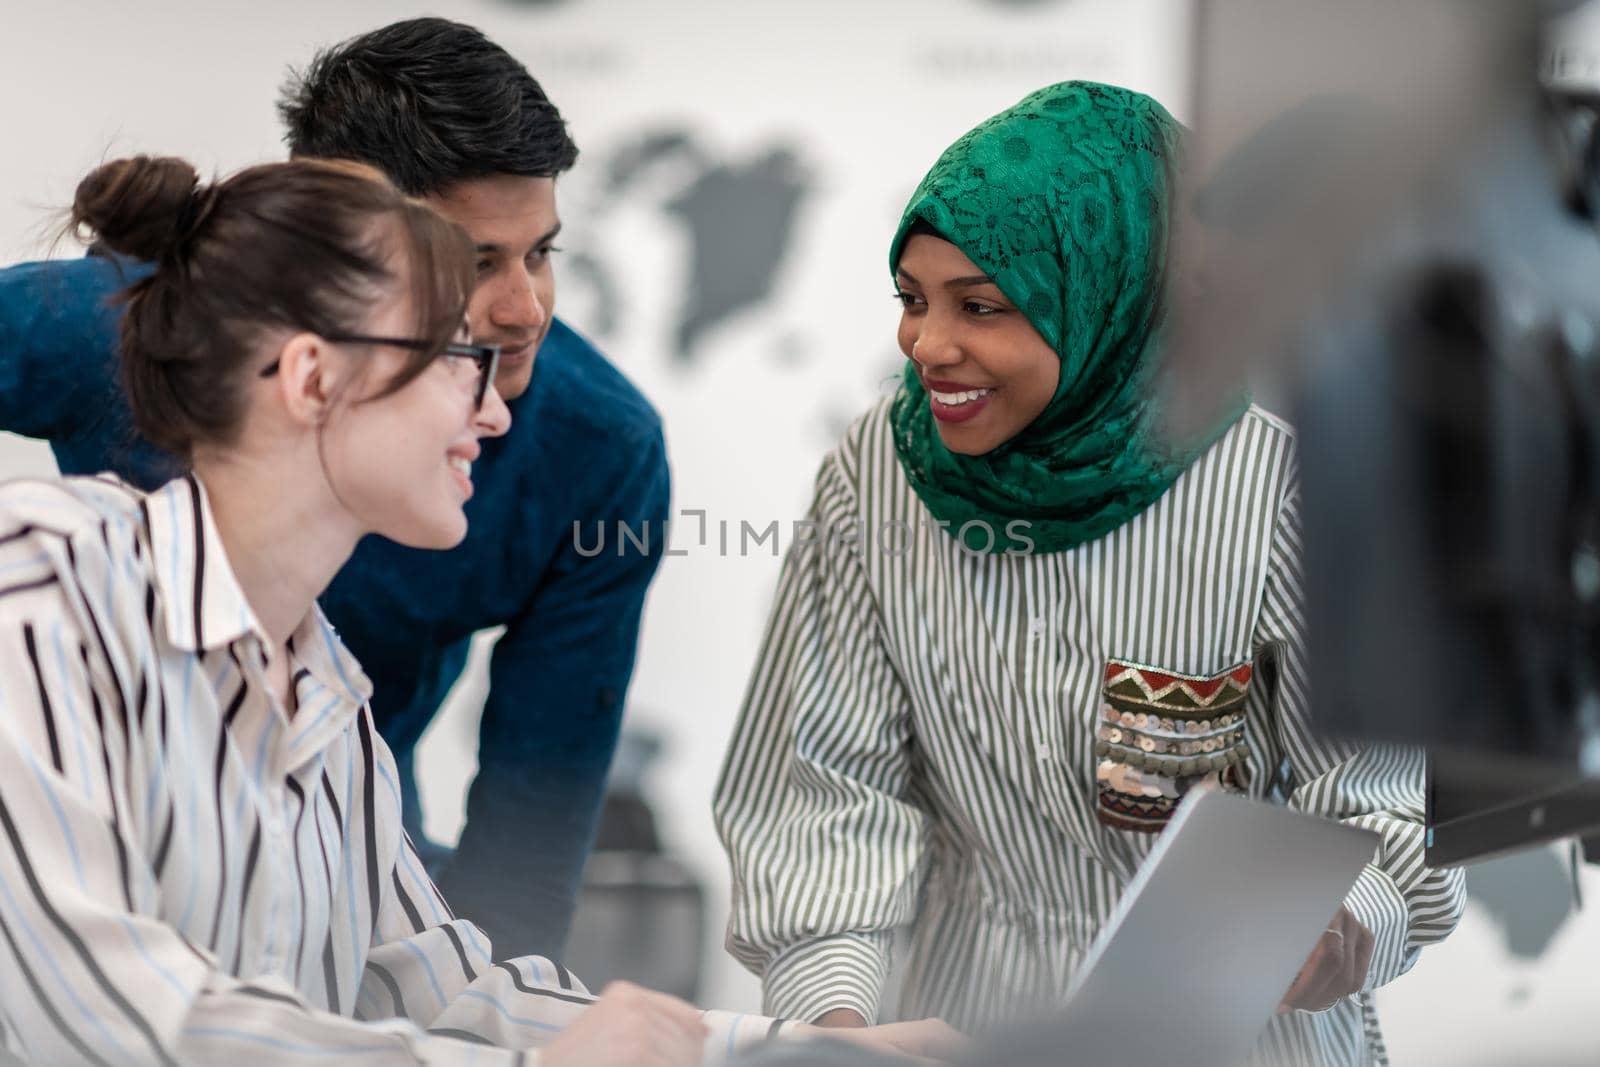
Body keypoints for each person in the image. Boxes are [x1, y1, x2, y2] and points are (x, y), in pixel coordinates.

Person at [0, 152, 965, 1067]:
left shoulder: (322, 686)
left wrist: (802, 1049)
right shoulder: (40, 602)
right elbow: (120, 1027)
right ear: (311, 377)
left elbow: (442, 989)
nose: (497, 413)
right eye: (461, 360)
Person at [713, 81, 1466, 1066]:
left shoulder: (1287, 485)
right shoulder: (877, 473)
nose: (928, 347)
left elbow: (1382, 794)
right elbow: (824, 787)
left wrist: (1334, 926)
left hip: (1231, 1031)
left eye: (980, 306)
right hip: (963, 1017)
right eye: (911, 299)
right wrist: (838, 1030)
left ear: (1115, 293)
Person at [0, 17, 665, 959]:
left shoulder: (602, 450)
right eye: (476, 264)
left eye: (541, 253)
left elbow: (532, 827)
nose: (525, 312)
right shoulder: (122, 325)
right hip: (99, 801)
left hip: (340, 831)